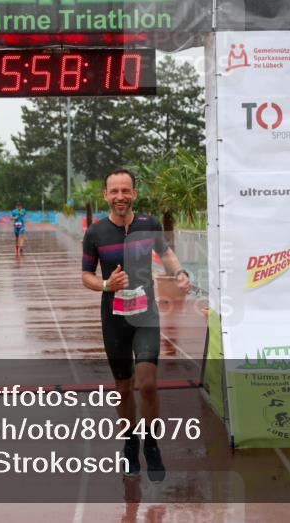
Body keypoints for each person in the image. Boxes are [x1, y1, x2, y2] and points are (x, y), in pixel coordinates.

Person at [81, 169, 193, 481]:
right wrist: (107, 284)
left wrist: (180, 272)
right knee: (123, 388)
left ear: (134, 193)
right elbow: (86, 276)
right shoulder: (96, 233)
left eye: (125, 191)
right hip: (114, 319)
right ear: (105, 195)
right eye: (114, 191)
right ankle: (130, 441)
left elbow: (166, 252)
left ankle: (151, 443)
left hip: (146, 315)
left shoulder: (149, 225)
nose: (120, 197)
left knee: (147, 383)